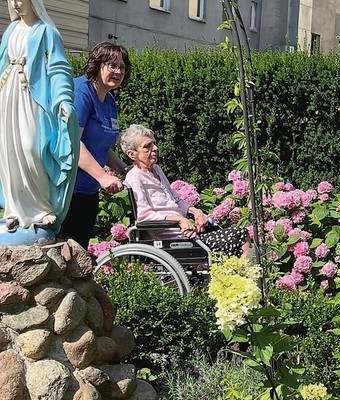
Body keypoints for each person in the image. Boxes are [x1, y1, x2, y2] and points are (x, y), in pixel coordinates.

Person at [0, 0, 79, 234]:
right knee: (9, 151)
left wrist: (64, 100)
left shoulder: (46, 32)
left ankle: (41, 208)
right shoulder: (11, 30)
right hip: (8, 96)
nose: (15, 3)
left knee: (31, 148)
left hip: (34, 99)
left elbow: (59, 68)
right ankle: (14, 209)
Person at [120, 124, 250, 257]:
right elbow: (144, 217)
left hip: (184, 233)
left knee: (232, 233)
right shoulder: (135, 176)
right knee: (240, 235)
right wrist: (179, 220)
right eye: (148, 146)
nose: (155, 148)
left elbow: (175, 199)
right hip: (171, 240)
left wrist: (195, 211)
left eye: (154, 144)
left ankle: (237, 274)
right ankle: (247, 275)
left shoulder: (157, 170)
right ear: (132, 154)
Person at [60, 41, 131, 249]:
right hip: (66, 192)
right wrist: (102, 176)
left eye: (122, 67)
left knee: (79, 257)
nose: (118, 71)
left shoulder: (108, 99)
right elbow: (72, 142)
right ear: (97, 65)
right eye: (112, 65)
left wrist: (123, 170)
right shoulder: (81, 92)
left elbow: (100, 145)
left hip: (88, 192)